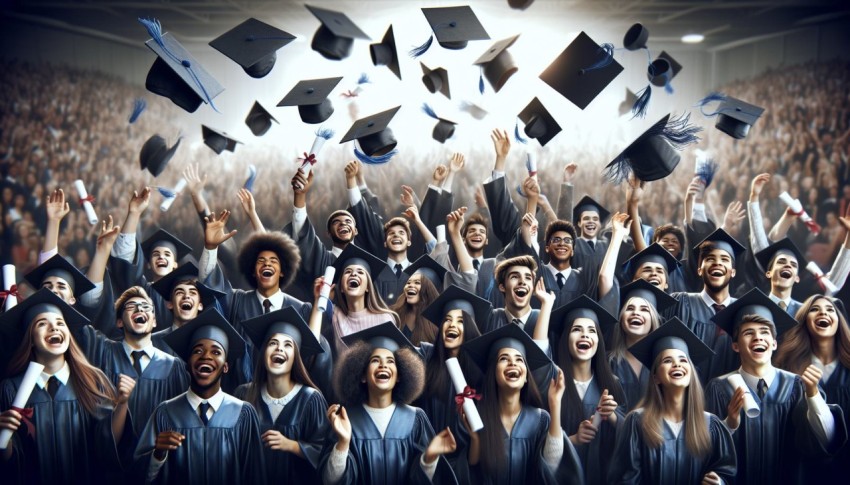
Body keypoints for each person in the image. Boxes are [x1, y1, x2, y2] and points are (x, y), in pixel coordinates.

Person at [705, 289, 848, 483]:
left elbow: (826, 440)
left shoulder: (797, 386)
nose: (758, 338)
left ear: (773, 343)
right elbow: (705, 449)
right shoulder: (719, 389)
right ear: (736, 345)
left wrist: (813, 395)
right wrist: (728, 425)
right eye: (749, 333)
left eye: (764, 332)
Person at [0, 289, 131, 484]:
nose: (54, 328)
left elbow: (107, 446)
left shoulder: (93, 381)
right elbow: (12, 462)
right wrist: (3, 442)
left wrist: (122, 404)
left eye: (60, 323)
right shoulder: (11, 388)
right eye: (42, 324)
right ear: (31, 339)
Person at [134, 308, 265, 484]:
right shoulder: (165, 413)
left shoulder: (242, 414)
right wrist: (157, 454)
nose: (206, 357)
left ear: (225, 367)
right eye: (197, 351)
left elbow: (255, 477)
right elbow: (137, 478)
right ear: (187, 364)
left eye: (216, 352)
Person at [320, 322, 459, 484]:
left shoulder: (416, 419)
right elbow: (329, 481)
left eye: (390, 361)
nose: (383, 365)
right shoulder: (346, 420)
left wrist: (429, 458)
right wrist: (343, 443)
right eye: (375, 360)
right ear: (362, 375)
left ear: (400, 375)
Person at [608, 318, 737, 484]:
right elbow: (625, 478)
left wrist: (719, 482)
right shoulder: (637, 423)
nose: (677, 364)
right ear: (655, 377)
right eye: (667, 361)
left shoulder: (711, 425)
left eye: (683, 360)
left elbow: (727, 472)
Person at [461, 324, 583, 484]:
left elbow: (551, 467)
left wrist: (555, 404)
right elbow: (471, 474)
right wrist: (476, 439)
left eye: (519, 360)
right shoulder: (477, 417)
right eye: (503, 359)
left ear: (526, 376)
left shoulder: (540, 419)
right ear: (493, 373)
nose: (513, 363)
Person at [73, 285, 189, 441]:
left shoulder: (174, 367)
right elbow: (79, 327)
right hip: (109, 458)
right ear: (120, 322)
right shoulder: (104, 352)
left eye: (146, 307)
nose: (139, 309)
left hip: (158, 459)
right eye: (131, 307)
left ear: (154, 321)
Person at [235, 307, 329, 484]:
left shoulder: (310, 399)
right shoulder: (244, 394)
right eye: (273, 343)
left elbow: (325, 454)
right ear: (264, 353)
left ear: (296, 357)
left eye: (288, 345)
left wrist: (292, 446)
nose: (279, 348)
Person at [548, 295, 625, 485]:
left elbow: (631, 440)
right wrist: (573, 439)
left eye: (592, 331)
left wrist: (614, 417)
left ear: (598, 340)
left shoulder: (612, 384)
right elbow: (539, 443)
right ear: (566, 339)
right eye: (576, 330)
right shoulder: (554, 385)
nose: (585, 335)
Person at [775, 294, 850, 479]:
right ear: (804, 321)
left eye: (830, 309)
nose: (823, 312)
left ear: (839, 322)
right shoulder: (788, 369)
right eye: (814, 309)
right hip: (802, 469)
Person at [309, 244, 399, 359]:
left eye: (360, 272)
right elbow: (313, 342)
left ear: (368, 287)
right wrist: (319, 299)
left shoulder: (385, 318)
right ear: (341, 287)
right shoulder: (335, 315)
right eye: (348, 271)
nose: (354, 274)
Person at [606, 280, 676, 410]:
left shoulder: (663, 364)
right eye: (630, 308)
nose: (636, 313)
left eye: (644, 310)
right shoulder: (607, 362)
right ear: (621, 318)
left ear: (653, 320)